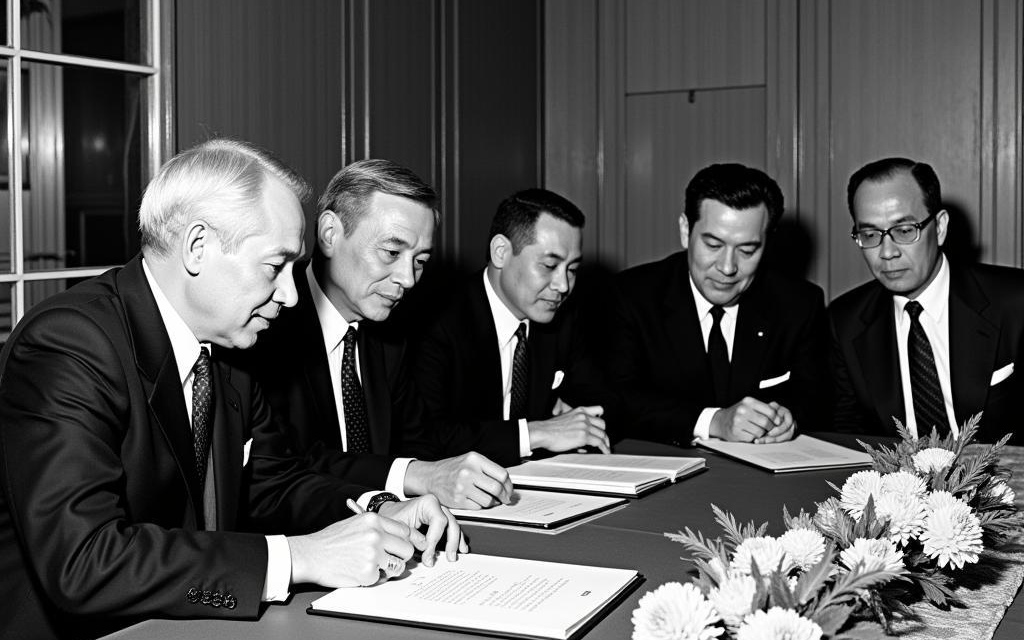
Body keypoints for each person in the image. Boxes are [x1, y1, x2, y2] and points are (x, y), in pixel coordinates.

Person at [0, 139, 464, 640]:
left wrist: (383, 508)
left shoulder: (230, 350)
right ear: (197, 247)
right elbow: (85, 562)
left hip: (180, 639)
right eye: (275, 267)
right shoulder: (69, 343)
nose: (291, 296)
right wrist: (298, 558)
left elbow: (275, 482)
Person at [234, 159, 513, 510]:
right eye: (392, 252)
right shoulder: (263, 325)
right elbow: (289, 464)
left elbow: (420, 443)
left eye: (420, 260)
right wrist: (414, 475)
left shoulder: (391, 334)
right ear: (330, 234)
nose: (408, 279)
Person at [607, 162, 830, 445]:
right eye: (713, 245)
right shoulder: (630, 296)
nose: (727, 268)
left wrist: (790, 418)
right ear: (685, 230)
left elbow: (816, 398)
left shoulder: (799, 303)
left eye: (747, 250)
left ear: (767, 244)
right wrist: (714, 421)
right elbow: (617, 400)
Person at [829, 157, 1024, 443]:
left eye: (905, 230)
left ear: (940, 227)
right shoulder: (845, 320)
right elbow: (846, 438)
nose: (887, 252)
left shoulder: (1016, 302)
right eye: (870, 234)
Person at [414, 188, 613, 468]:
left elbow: (603, 405)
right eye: (549, 265)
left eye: (572, 269)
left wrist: (570, 423)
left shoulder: (563, 320)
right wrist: (537, 432)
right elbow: (428, 437)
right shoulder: (437, 322)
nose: (563, 285)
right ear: (501, 252)